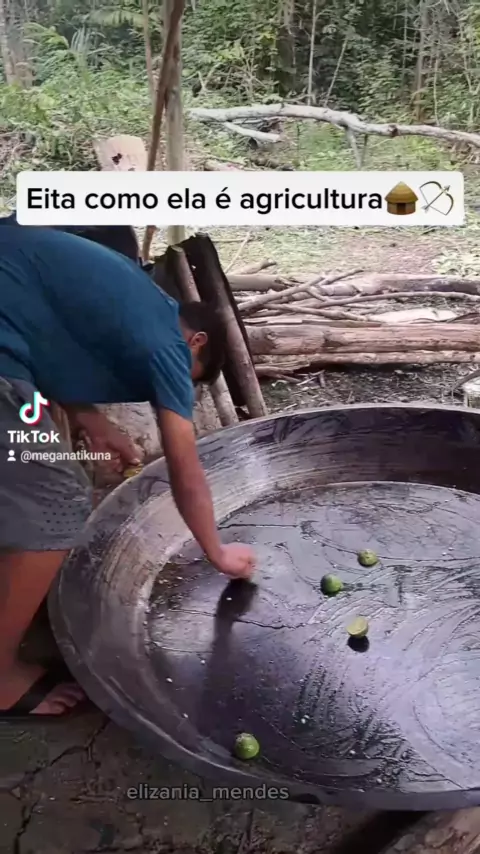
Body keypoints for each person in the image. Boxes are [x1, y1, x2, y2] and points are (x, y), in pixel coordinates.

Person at [0, 223, 256, 718]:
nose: (167, 389)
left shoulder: (134, 297)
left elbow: (40, 339)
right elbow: (185, 470)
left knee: (26, 474)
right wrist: (218, 552)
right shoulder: (168, 344)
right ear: (196, 341)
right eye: (187, 379)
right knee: (59, 501)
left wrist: (93, 423)